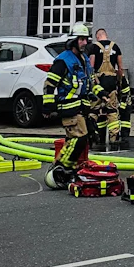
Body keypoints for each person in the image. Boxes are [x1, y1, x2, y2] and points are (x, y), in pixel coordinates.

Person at [44, 24, 95, 178]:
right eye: (81, 39)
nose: (84, 43)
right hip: (69, 107)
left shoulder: (84, 59)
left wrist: (101, 94)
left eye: (86, 39)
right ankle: (60, 168)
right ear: (73, 41)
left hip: (82, 108)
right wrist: (47, 105)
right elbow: (49, 85)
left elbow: (90, 82)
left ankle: (68, 168)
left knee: (77, 140)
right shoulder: (63, 61)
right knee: (79, 139)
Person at [87, 29, 125, 149]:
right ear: (106, 35)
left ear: (97, 36)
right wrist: (119, 83)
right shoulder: (116, 47)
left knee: (94, 110)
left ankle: (92, 134)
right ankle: (114, 137)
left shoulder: (94, 47)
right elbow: (120, 68)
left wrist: (91, 83)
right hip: (111, 83)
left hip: (99, 83)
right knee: (112, 110)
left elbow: (91, 67)